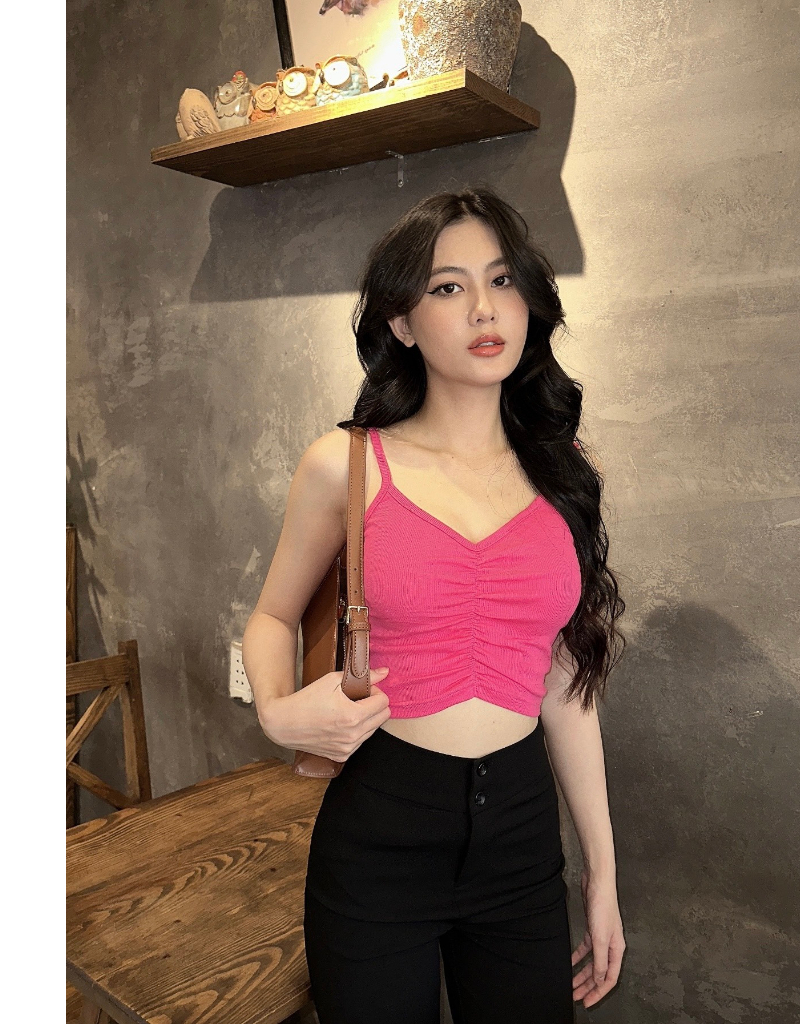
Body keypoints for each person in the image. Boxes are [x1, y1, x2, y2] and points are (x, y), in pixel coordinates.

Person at [242, 186, 627, 1023]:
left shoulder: (561, 472)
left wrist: (602, 874)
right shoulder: (346, 466)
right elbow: (272, 617)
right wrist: (275, 712)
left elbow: (565, 680)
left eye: (502, 279)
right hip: (380, 833)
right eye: (448, 287)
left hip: (521, 839)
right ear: (403, 323)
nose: (484, 307)